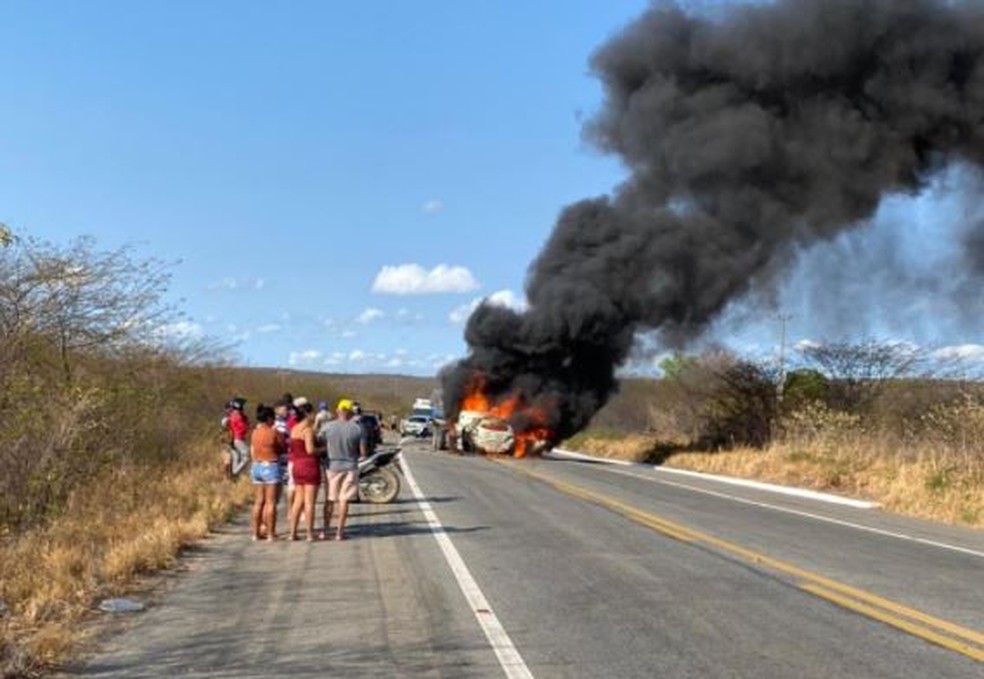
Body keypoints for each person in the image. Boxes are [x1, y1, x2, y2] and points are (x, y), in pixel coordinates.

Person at [322, 398, 366, 541]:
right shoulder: (357, 428)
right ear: (350, 412)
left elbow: (320, 443)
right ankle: (339, 532)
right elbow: (363, 452)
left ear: (338, 410)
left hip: (332, 466)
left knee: (330, 499)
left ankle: (325, 530)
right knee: (344, 500)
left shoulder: (327, 427)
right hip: (350, 467)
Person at [287, 400, 325, 541]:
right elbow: (310, 450)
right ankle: (309, 533)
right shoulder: (307, 430)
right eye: (312, 413)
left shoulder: (294, 429)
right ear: (307, 414)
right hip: (309, 466)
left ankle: (293, 532)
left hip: (297, 465)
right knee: (309, 502)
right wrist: (323, 449)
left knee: (298, 501)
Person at [250, 404, 284, 541]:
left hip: (257, 465)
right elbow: (281, 448)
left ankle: (255, 533)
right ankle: (270, 533)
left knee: (258, 501)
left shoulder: (254, 432)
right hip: (270, 465)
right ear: (269, 418)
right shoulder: (273, 432)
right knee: (270, 502)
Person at [226, 397, 250, 477]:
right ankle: (235, 472)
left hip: (237, 439)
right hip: (239, 439)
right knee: (246, 458)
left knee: (237, 457)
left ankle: (235, 473)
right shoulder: (238, 416)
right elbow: (244, 427)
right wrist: (247, 424)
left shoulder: (233, 415)